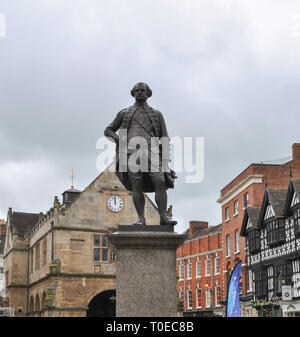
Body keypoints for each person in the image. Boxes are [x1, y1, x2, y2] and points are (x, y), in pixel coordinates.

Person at [104, 82, 177, 226]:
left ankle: (163, 217)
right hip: (131, 153)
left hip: (152, 152)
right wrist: (120, 140)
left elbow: (165, 138)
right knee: (136, 185)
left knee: (160, 182)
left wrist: (166, 162)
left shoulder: (157, 114)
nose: (139, 93)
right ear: (133, 93)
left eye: (142, 90)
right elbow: (108, 130)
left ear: (148, 93)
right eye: (137, 91)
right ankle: (141, 218)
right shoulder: (125, 113)